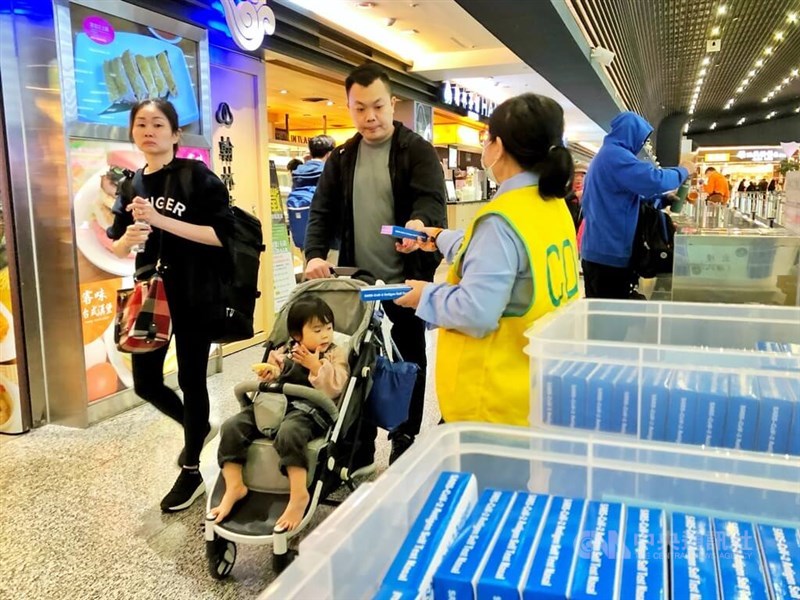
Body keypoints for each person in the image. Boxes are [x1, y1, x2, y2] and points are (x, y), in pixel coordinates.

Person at [394, 93, 578, 426]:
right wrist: (439, 238)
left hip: (492, 399)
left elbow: (476, 311)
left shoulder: (501, 218)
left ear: (499, 146)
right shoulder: (551, 205)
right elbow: (507, 261)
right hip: (534, 385)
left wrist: (424, 295)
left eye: (486, 137)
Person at [303, 63, 446, 463]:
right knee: (355, 359)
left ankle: (405, 435)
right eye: (359, 108)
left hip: (405, 283)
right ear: (349, 107)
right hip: (359, 285)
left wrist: (419, 227)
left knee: (408, 358)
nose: (370, 117)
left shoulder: (415, 150)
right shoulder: (342, 158)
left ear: (392, 103)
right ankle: (359, 443)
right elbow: (322, 213)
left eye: (378, 106)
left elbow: (430, 202)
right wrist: (314, 254)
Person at [108, 99, 233, 512]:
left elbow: (221, 235)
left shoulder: (196, 177)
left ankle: (192, 467)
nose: (149, 130)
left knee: (193, 379)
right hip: (151, 296)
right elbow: (118, 237)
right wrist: (125, 242)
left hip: (196, 293)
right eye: (141, 124)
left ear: (176, 134)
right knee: (145, 381)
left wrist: (161, 221)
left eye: (158, 124)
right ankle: (196, 428)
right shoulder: (130, 185)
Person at [209, 296, 348, 530]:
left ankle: (298, 494)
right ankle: (234, 485)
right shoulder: (285, 351)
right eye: (317, 330)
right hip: (275, 404)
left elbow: (338, 385)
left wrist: (316, 366)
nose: (325, 334)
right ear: (296, 335)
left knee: (289, 433)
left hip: (311, 408)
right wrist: (271, 373)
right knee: (232, 426)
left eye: (329, 328)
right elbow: (277, 376)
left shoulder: (335, 354)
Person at [580, 111, 690, 299]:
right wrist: (683, 171)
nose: (641, 144)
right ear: (631, 133)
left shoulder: (606, 155)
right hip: (610, 253)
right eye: (642, 138)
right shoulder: (616, 156)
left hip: (599, 250)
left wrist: (663, 199)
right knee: (613, 319)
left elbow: (625, 198)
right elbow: (655, 180)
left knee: (602, 317)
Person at [287, 135, 336, 250]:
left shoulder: (297, 172)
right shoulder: (331, 171)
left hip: (306, 242)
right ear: (329, 153)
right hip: (330, 241)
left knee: (310, 266)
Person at [564, 162, 587, 231]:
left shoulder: (588, 197)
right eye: (576, 175)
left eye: (582, 176)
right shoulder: (564, 192)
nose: (579, 179)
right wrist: (574, 195)